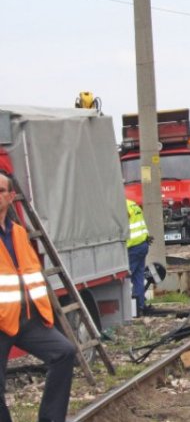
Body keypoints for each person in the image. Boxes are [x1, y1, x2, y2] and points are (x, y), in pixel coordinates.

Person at [0, 173, 77, 422]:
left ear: (11, 197)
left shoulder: (19, 233)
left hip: (25, 319)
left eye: (0, 191)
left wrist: (43, 312)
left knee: (64, 352)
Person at [126, 199, 150, 316]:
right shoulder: (132, 204)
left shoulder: (123, 207)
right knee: (138, 278)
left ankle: (129, 310)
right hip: (142, 244)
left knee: (125, 279)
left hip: (132, 247)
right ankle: (140, 306)